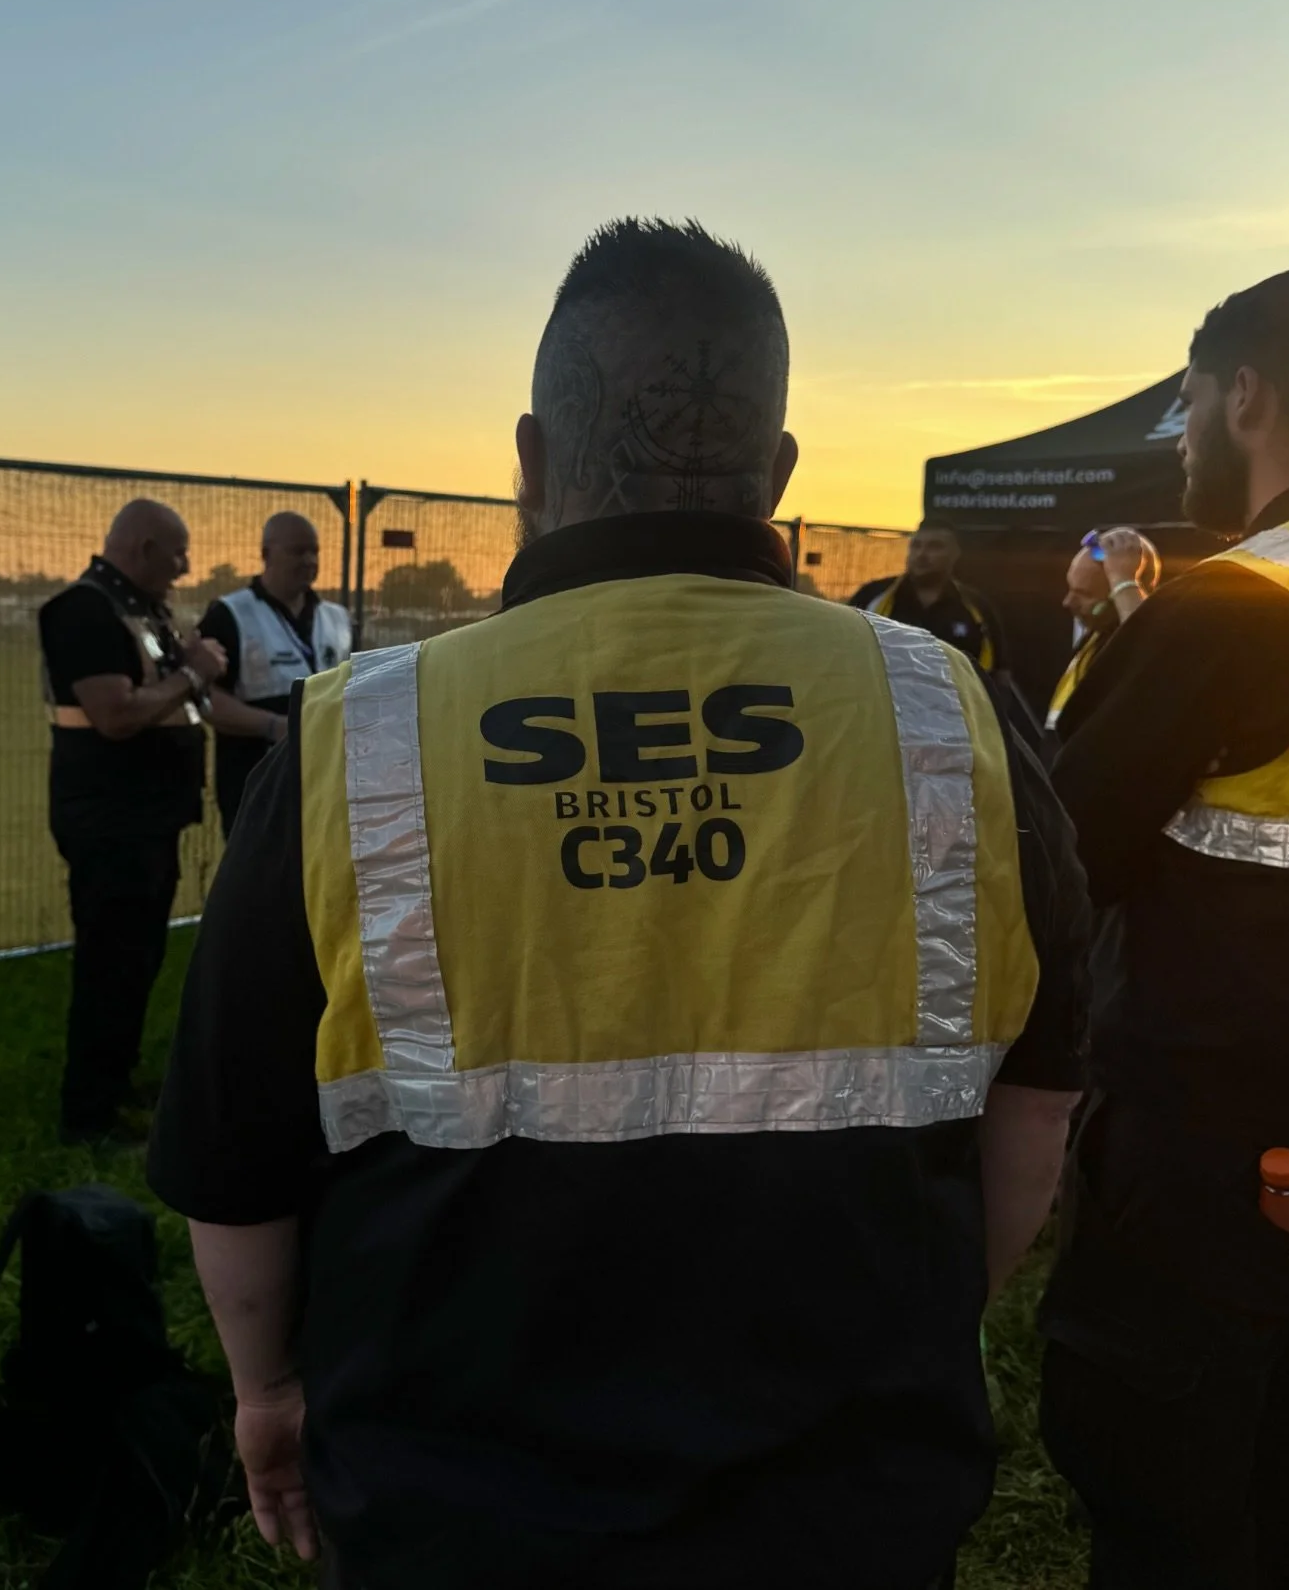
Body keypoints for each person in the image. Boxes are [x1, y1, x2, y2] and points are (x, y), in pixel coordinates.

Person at [149, 219, 1089, 1590]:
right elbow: (1038, 1109)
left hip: (452, 1511)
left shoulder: (360, 739)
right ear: (778, 476)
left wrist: (268, 1392)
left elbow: (234, 1152)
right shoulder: (954, 717)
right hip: (844, 1508)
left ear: (529, 462)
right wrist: (923, 1336)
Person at [1039, 270, 1289, 1589]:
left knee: (1182, 1514)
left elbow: (1061, 850)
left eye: (1190, 404)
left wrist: (1105, 642)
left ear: (1246, 395)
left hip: (1213, 1186)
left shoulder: (1233, 609)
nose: (1184, 438)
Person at [37, 500, 227, 1146]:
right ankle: (87, 1113)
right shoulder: (84, 611)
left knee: (137, 960)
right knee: (109, 965)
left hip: (147, 819)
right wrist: (194, 672)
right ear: (144, 548)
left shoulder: (140, 608)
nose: (185, 567)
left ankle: (115, 1081)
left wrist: (188, 667)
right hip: (109, 822)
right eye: (177, 553)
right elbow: (116, 715)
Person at [197, 512, 351, 835]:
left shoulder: (338, 618)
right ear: (266, 554)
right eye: (297, 551)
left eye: (314, 551)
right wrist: (274, 726)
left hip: (327, 786)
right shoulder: (230, 614)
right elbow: (205, 698)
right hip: (256, 787)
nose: (309, 561)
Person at [1042, 526, 1161, 762]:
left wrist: (1124, 580)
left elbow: (1148, 647)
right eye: (1070, 589)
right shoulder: (1094, 638)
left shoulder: (1128, 643)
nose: (1068, 602)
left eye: (1084, 594)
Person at [849, 518, 1009, 670]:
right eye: (916, 545)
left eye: (935, 547)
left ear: (955, 553)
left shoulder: (977, 607)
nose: (922, 554)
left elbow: (998, 673)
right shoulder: (872, 596)